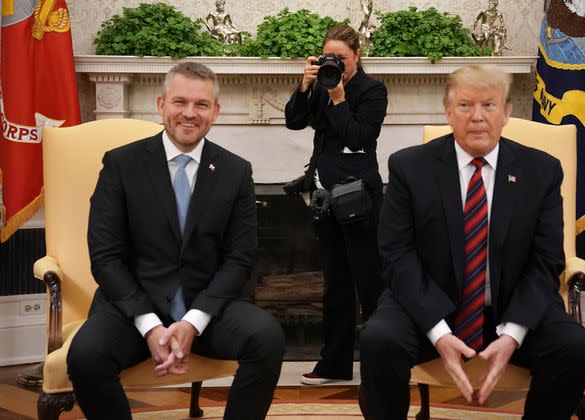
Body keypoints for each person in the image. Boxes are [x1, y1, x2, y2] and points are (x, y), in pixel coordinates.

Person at [359, 64, 585, 419]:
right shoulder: (409, 167)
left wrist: (513, 334)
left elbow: (546, 261)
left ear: (506, 113)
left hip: (512, 305)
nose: (478, 117)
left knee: (573, 347)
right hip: (430, 305)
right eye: (466, 105)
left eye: (489, 105)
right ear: (448, 112)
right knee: (378, 340)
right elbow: (396, 256)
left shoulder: (541, 171)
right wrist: (438, 332)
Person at [66, 62, 285, 420]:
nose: (189, 113)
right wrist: (150, 325)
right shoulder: (121, 164)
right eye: (179, 101)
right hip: (133, 308)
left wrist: (193, 321)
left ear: (215, 112)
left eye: (201, 105)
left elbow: (240, 257)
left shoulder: (235, 170)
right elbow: (105, 256)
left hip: (208, 309)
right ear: (161, 104)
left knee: (267, 338)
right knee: (86, 354)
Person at [284, 24, 387, 385]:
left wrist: (340, 98)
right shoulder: (321, 85)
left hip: (359, 198)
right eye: (330, 58)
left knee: (370, 285)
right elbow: (293, 121)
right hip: (325, 198)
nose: (336, 65)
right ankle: (335, 365)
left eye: (342, 58)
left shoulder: (373, 91)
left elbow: (360, 135)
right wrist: (305, 85)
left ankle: (380, 365)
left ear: (357, 56)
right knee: (336, 284)